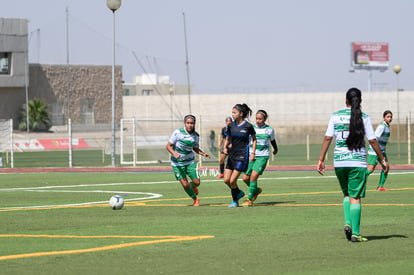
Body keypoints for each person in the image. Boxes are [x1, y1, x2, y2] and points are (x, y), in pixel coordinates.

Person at [317, 88, 389, 242]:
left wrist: (321, 159)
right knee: (355, 197)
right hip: (357, 161)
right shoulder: (364, 117)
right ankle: (356, 233)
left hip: (340, 162)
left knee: (347, 194)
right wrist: (382, 159)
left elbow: (328, 137)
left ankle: (348, 223)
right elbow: (372, 140)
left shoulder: (336, 116)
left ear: (346, 100)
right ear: (360, 100)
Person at [166, 115, 210, 207]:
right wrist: (174, 154)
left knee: (197, 182)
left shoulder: (196, 135)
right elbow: (168, 146)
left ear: (194, 124)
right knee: (185, 185)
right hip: (177, 163)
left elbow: (195, 148)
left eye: (192, 123)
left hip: (189, 162)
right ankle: (195, 199)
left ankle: (192, 186)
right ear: (184, 123)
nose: (190, 125)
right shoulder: (178, 133)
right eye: (188, 123)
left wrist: (202, 153)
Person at [223, 104, 256, 208]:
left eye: (234, 112)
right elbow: (228, 138)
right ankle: (238, 192)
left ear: (241, 114)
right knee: (226, 180)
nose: (232, 114)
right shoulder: (231, 125)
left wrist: (253, 152)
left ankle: (235, 201)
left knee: (233, 181)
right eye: (232, 112)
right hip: (232, 155)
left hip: (242, 156)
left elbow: (254, 139)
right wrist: (225, 147)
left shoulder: (248, 126)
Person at [242, 110, 278, 206]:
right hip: (251, 156)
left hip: (262, 156)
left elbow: (273, 141)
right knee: (245, 178)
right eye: (256, 118)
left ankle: (249, 200)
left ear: (265, 119)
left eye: (260, 119)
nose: (258, 121)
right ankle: (256, 190)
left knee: (253, 176)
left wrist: (275, 149)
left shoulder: (269, 129)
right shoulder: (251, 128)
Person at [367, 110, 393, 191]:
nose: (390, 118)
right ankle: (357, 180)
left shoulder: (387, 126)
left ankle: (380, 186)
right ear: (384, 118)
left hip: (382, 151)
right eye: (388, 117)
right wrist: (376, 150)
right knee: (370, 169)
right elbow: (374, 138)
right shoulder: (382, 126)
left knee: (386, 167)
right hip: (375, 150)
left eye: (391, 117)